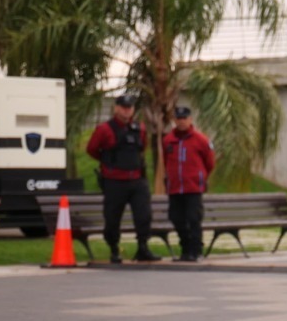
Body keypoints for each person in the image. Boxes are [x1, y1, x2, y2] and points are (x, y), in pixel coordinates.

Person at [86, 93, 158, 264]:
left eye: (130, 108)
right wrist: (109, 163)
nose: (127, 112)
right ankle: (114, 250)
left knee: (144, 215)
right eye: (124, 108)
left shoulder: (139, 128)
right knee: (112, 218)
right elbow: (92, 149)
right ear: (116, 108)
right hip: (115, 181)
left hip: (137, 180)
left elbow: (143, 148)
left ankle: (143, 248)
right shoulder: (105, 129)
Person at [162, 105, 215, 262]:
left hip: (193, 187)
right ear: (174, 120)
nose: (182, 122)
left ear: (190, 119)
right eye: (178, 119)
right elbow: (166, 161)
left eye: (184, 118)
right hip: (176, 188)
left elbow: (210, 162)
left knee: (193, 218)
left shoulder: (201, 139)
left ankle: (196, 250)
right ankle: (185, 249)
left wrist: (200, 176)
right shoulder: (168, 140)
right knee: (176, 218)